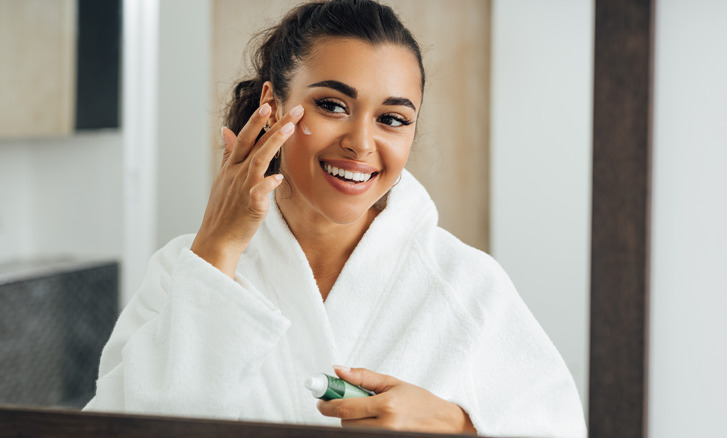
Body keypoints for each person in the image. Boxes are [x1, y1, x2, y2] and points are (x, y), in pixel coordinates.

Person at [85, 0, 586, 436]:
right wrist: (218, 248)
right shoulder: (185, 269)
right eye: (332, 105)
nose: (362, 144)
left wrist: (456, 424)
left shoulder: (467, 287)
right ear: (272, 104)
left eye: (392, 118)